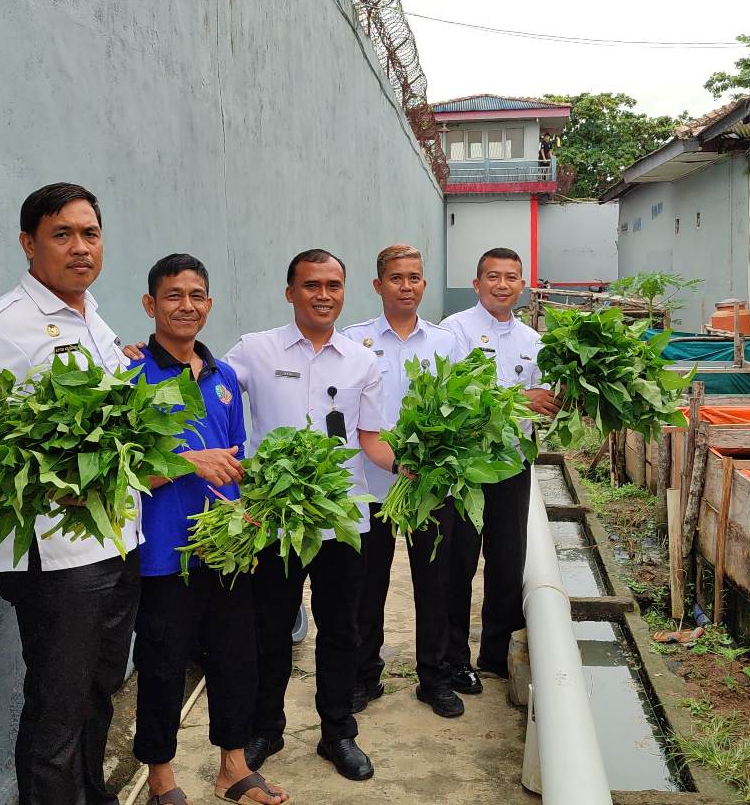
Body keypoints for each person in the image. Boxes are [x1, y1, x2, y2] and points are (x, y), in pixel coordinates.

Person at [0, 183, 140, 805]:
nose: (81, 247)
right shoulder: (0, 328)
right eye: (62, 234)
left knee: (101, 690)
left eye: (90, 233)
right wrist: (58, 479)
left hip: (116, 541)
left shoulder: (93, 318)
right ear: (29, 244)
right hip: (54, 555)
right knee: (58, 708)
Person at [224, 249, 396, 781]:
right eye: (311, 285)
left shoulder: (362, 361)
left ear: (344, 291)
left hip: (340, 519)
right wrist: (145, 355)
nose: (324, 295)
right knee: (269, 628)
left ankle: (337, 732)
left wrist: (412, 465)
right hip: (274, 518)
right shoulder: (255, 349)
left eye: (333, 285)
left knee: (341, 630)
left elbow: (370, 439)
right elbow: (208, 386)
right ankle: (266, 728)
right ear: (290, 292)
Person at [129, 254, 287, 805]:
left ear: (210, 304)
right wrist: (186, 463)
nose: (187, 305)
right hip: (163, 551)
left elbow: (236, 457)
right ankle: (161, 779)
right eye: (173, 295)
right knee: (163, 665)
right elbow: (123, 470)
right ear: (150, 304)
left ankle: (233, 769)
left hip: (226, 548)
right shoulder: (131, 376)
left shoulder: (223, 378)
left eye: (196, 295)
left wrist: (249, 509)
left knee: (236, 657)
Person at [344, 244, 464, 719]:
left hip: (430, 489)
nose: (406, 286)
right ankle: (363, 676)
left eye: (414, 277)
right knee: (365, 588)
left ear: (424, 284)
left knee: (435, 586)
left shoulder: (445, 343)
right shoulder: (354, 341)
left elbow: (464, 405)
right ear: (378, 285)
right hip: (370, 486)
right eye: (396, 278)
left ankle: (434, 678)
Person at [440, 248, 560, 696]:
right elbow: (455, 396)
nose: (502, 284)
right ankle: (454, 660)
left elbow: (545, 399)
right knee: (458, 563)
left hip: (512, 463)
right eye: (493, 276)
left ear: (522, 285)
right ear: (477, 284)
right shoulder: (454, 331)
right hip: (466, 465)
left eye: (511, 277)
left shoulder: (533, 340)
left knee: (508, 561)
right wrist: (519, 399)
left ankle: (494, 655)